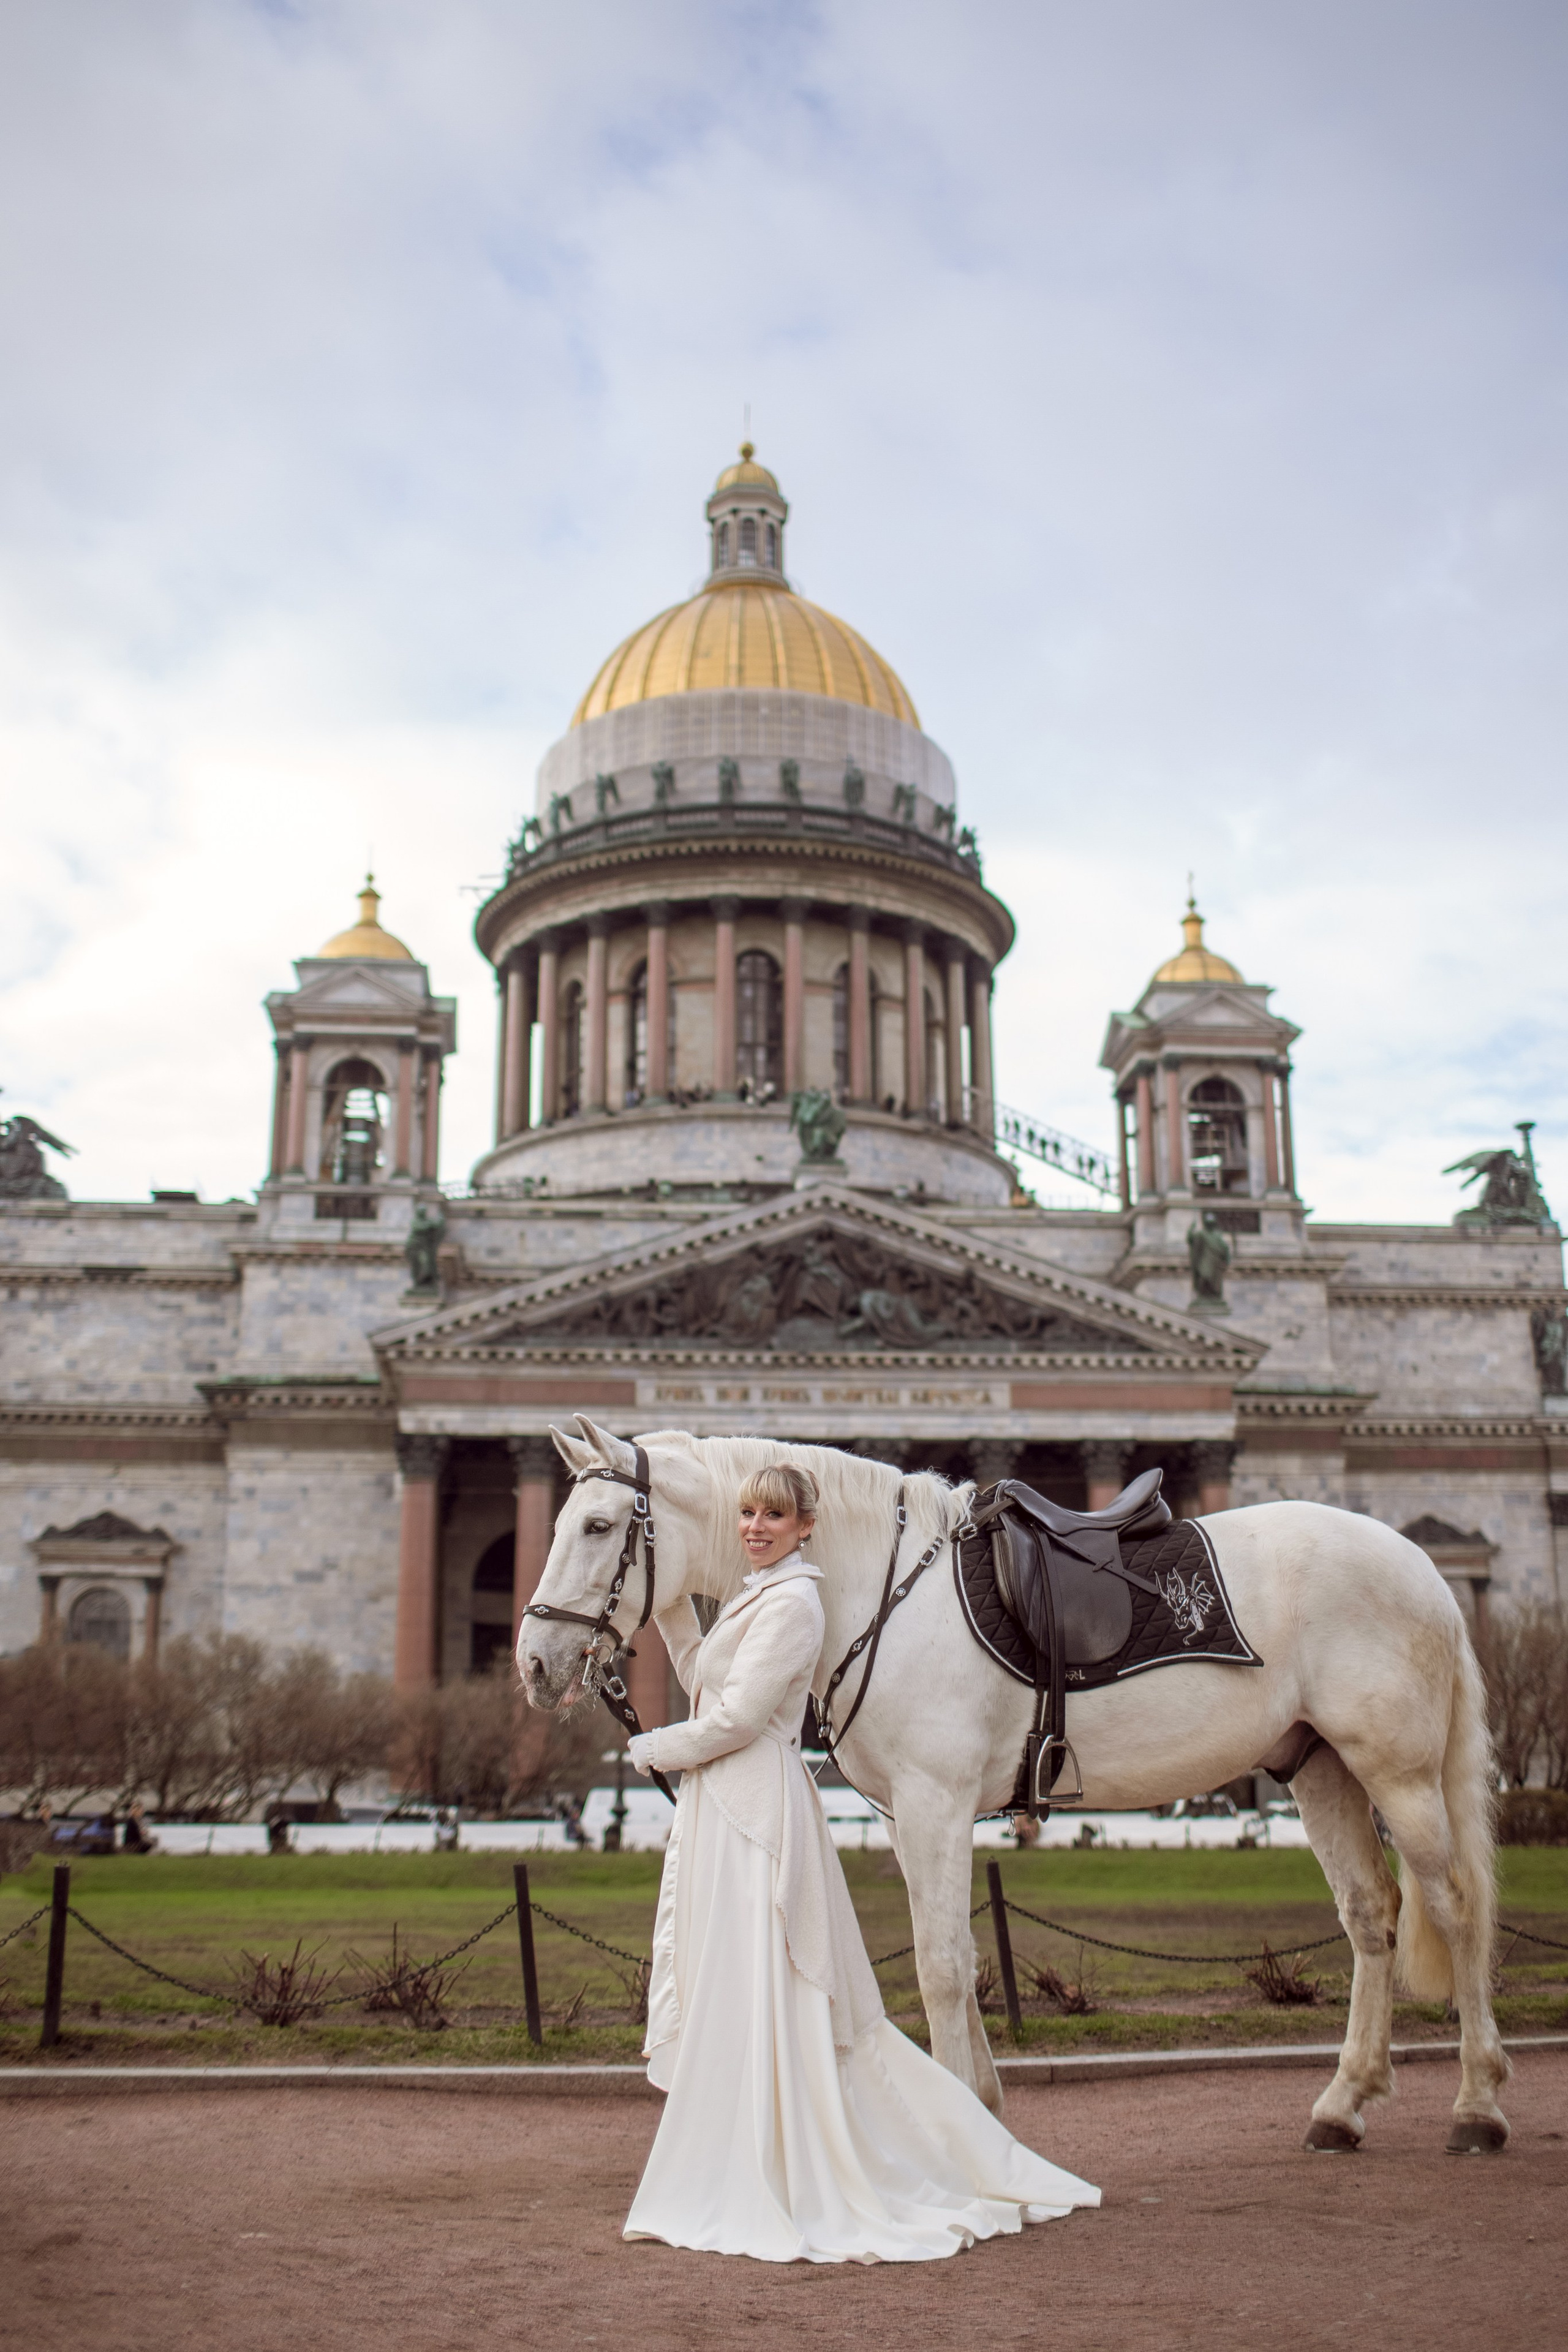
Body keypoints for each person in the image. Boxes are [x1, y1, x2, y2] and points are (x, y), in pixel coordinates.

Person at [622, 1461, 1098, 2264]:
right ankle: (749, 2146)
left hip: (758, 1807)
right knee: (737, 1979)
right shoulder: (755, 1595)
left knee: (772, 1980)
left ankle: (805, 2149)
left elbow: (737, 1720)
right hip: (728, 1804)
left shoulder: (796, 1603)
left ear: (807, 1527)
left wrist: (650, 1748)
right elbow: (706, 1680)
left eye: (774, 1516)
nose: (755, 1528)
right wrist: (671, 1607)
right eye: (748, 1514)